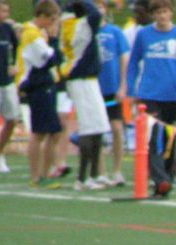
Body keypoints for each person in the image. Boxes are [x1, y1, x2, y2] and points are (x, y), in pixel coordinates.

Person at [127, 0, 176, 197]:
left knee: (171, 140)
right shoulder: (144, 35)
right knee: (154, 138)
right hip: (149, 94)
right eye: (157, 12)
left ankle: (167, 176)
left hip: (173, 95)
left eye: (165, 12)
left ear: (171, 13)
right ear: (153, 15)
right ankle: (160, 180)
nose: (162, 16)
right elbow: (133, 63)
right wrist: (131, 90)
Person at [60, 0, 112, 191]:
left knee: (98, 127)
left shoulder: (76, 23)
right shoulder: (77, 25)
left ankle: (94, 174)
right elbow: (96, 15)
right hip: (80, 80)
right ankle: (82, 179)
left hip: (89, 79)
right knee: (89, 128)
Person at [17, 0, 62, 189]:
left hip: (45, 85)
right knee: (39, 133)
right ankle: (37, 176)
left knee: (53, 131)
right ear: (42, 17)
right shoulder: (32, 35)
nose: (53, 24)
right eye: (51, 19)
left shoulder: (35, 34)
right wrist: (53, 39)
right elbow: (51, 59)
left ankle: (45, 172)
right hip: (38, 86)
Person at [95, 0, 130, 187]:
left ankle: (117, 170)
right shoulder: (86, 32)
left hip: (112, 89)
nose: (99, 8)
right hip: (93, 89)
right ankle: (101, 172)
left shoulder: (115, 32)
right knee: (97, 131)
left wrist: (123, 85)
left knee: (116, 128)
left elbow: (124, 58)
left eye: (101, 5)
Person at [0, 0, 19, 174]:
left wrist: (14, 64)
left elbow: (16, 48)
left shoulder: (7, 29)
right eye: (3, 11)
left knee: (12, 119)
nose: (6, 15)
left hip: (7, 81)